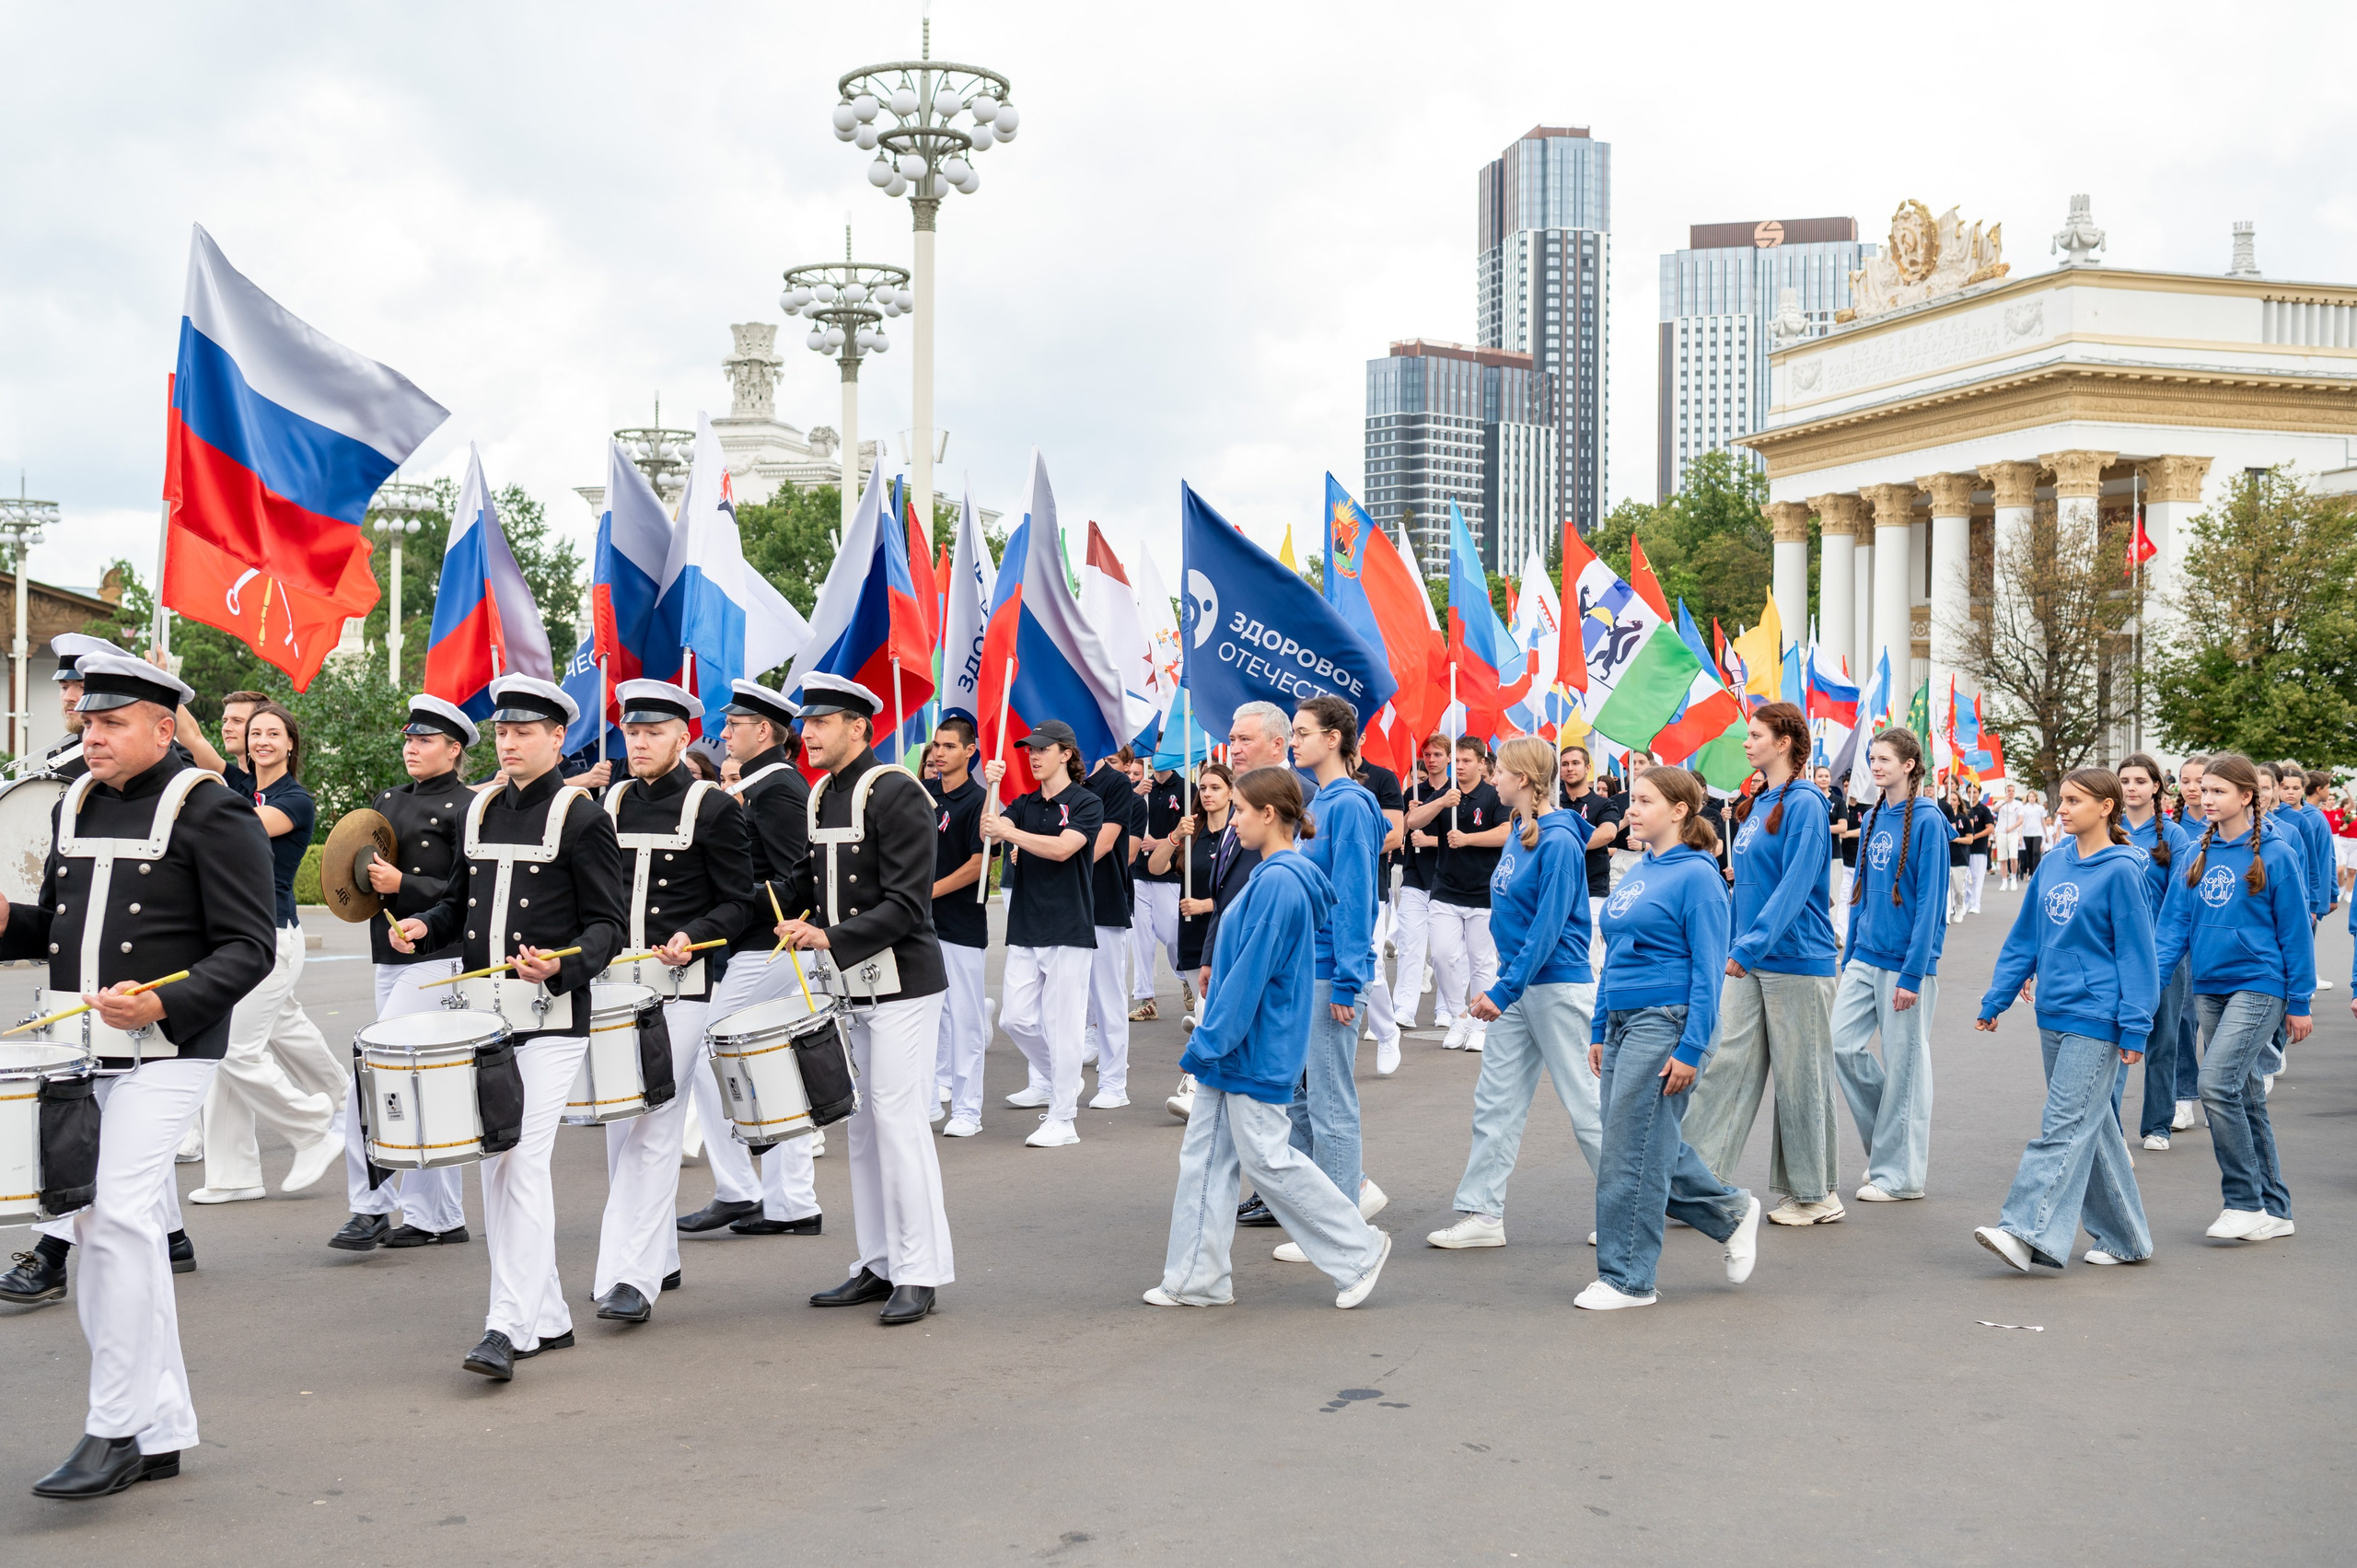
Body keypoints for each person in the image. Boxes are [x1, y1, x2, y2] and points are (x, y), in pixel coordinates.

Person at [0, 653, 276, 1497]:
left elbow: (249, 948)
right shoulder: (75, 803)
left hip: (170, 1053)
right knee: (98, 1227)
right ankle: (158, 1426)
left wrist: (165, 1004)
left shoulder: (214, 811)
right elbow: (64, 933)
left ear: (164, 727)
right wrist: (9, 920)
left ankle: (113, 1426)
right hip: (78, 1052)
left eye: (111, 723)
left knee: (116, 1217)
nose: (93, 736)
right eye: (88, 721)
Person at [389, 674, 627, 1379]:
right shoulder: (483, 807)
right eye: (503, 730)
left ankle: (507, 1324)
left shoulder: (583, 817)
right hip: (484, 1021)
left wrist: (561, 963)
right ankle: (547, 1315)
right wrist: (421, 924)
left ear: (559, 738)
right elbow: (459, 899)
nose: (511, 741)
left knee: (517, 1159)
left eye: (526, 731)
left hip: (553, 1020)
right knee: (499, 1162)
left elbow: (608, 927)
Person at [1147, 768, 1391, 1310]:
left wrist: (1206, 1045)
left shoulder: (1281, 881)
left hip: (1253, 1046)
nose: (1231, 820)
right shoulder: (1272, 875)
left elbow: (1250, 976)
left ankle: (1357, 1250)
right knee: (1206, 1159)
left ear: (1269, 814)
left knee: (1266, 1159)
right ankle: (1195, 1277)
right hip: (1238, 1045)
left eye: (1238, 809)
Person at [772, 673, 956, 1326]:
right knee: (861, 1128)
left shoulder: (897, 792)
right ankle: (879, 1262)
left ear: (859, 727)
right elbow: (804, 879)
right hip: (851, 983)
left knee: (898, 1122)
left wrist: (829, 934)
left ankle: (921, 1269)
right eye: (807, 723)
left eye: (821, 722)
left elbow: (907, 902)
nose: (808, 733)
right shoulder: (821, 793)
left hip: (904, 982)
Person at [586, 680, 757, 1327]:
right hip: (613, 987)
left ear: (683, 737)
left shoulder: (712, 806)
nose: (638, 742)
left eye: (653, 732)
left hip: (681, 992)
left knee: (655, 1125)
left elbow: (739, 900)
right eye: (632, 731)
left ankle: (630, 1277)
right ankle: (656, 1254)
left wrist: (698, 937)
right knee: (616, 1128)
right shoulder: (612, 800)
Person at [1578, 765, 1762, 1310]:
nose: (1630, 809)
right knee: (1638, 1143)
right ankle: (1729, 1212)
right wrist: (1598, 1024)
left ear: (1680, 811)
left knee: (1629, 1153)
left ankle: (1628, 1279)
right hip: (1621, 1020)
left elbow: (1709, 971)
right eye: (1632, 800)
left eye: (1643, 801)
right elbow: (1613, 954)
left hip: (1666, 1020)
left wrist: (1691, 1046)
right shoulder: (1640, 868)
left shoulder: (1699, 875)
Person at [1972, 769, 2156, 1272]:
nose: (2062, 808)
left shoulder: (2124, 870)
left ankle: (2023, 1230)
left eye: (2075, 801)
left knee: (2061, 1128)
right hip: (2052, 1013)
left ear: (2106, 808)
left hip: (2098, 1018)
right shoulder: (2053, 864)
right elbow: (2024, 940)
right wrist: (1997, 999)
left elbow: (2139, 956)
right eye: (2062, 800)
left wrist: (2137, 1025)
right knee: (2088, 1128)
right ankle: (2126, 1237)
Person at [1429, 736, 1602, 1249]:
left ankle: (1633, 1206)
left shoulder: (1558, 840)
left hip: (1556, 988)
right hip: (1518, 986)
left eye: (1500, 771)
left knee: (1587, 1106)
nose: (1492, 778)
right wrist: (1507, 987)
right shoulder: (1522, 832)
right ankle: (1484, 1213)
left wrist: (1503, 989)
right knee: (1495, 1102)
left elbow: (1548, 928)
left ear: (1523, 780)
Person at [326, 694, 478, 1253]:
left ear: (453, 749)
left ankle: (369, 1209)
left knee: (371, 1080)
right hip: (390, 956)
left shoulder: (468, 808)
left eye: (426, 741)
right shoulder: (388, 799)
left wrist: (405, 889)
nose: (412, 748)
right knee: (423, 1085)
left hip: (440, 960)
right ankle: (439, 1216)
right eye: (410, 739)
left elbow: (468, 896)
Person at [1686, 702, 1844, 1227]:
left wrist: (1746, 947)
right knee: (1724, 1067)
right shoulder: (1760, 802)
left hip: (1798, 959)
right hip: (1751, 958)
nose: (1747, 743)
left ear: (1784, 743)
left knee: (1801, 1079)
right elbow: (1750, 886)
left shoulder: (1806, 802)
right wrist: (1733, 944)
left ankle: (1815, 1194)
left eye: (1755, 736)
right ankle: (1693, 1184)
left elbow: (1797, 886)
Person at [679, 681, 822, 1238]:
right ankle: (792, 1203)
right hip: (761, 946)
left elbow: (796, 877)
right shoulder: (763, 784)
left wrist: (735, 901)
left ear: (763, 731)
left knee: (709, 1051)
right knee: (774, 1067)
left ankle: (740, 1189)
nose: (724, 733)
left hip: (770, 946)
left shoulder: (778, 788)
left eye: (734, 725)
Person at [2154, 753, 2312, 1243]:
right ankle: (2276, 1210)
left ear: (2247, 797)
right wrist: (2149, 987)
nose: (2206, 797)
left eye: (2219, 790)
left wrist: (2301, 1002)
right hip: (2210, 987)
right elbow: (2173, 928)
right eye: (2202, 789)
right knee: (2243, 1095)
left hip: (2261, 984)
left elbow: (2296, 932)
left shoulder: (2277, 854)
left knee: (2216, 1084)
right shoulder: (2194, 855)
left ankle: (2243, 1202)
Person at [192, 701, 345, 1206]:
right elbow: (198, 746)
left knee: (233, 1050)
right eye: (254, 733)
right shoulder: (239, 785)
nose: (260, 741)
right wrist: (165, 692)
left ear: (290, 744)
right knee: (274, 1035)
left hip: (273, 938)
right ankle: (233, 1175)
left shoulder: (294, 800)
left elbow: (241, 826)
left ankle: (312, 1130)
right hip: (240, 936)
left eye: (271, 734)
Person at [1268, 694, 1388, 1261]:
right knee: (1295, 1096)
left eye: (1303, 731)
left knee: (1330, 1103)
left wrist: (1348, 980)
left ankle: (1341, 1228)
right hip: (1302, 973)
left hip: (1329, 975)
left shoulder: (1351, 805)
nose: (1295, 740)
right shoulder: (1321, 803)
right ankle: (1329, 1212)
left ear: (1335, 738)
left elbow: (1356, 898)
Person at [1829, 728, 1951, 1202]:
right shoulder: (1876, 814)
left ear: (1909, 765)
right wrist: (1850, 955)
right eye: (1872, 758)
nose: (1875, 766)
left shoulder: (1928, 820)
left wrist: (1913, 973)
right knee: (1841, 1045)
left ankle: (1900, 1175)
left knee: (1906, 1069)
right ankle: (1888, 1145)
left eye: (1884, 759)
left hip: (1905, 965)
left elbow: (1930, 906)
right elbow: (1858, 895)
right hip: (1865, 958)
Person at [983, 719, 1104, 1147]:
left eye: (1042, 749)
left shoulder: (1086, 802)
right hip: (1026, 925)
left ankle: (1063, 1119)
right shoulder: (1023, 803)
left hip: (1068, 925)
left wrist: (1011, 832)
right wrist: (990, 787)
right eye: (1029, 750)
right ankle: (1062, 1081)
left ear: (1066, 754)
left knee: (1063, 1025)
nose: (1033, 756)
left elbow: (1062, 849)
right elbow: (989, 831)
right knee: (1014, 1018)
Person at [2118, 753, 2195, 1154]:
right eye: (2125, 780)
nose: (2132, 787)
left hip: (2163, 954)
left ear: (2156, 788)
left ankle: (2157, 1126)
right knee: (2112, 1040)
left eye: (2140, 781)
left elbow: (2179, 903)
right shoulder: (2107, 831)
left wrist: (2163, 954)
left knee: (2163, 1039)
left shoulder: (2175, 838)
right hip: (2114, 954)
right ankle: (2109, 1127)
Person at [1413, 737, 1510, 1051]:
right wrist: (1441, 802)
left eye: (1467, 761)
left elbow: (1506, 833)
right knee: (1442, 956)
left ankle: (1481, 1026)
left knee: (1481, 962)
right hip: (1445, 890)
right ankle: (1459, 1015)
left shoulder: (1494, 796)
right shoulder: (1445, 795)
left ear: (1482, 763)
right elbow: (1411, 823)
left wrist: (1467, 839)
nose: (1461, 766)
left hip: (1484, 892)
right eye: (1458, 761)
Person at [925, 718, 992, 1137]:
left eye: (949, 746)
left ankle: (968, 1110)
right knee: (925, 1017)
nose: (938, 753)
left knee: (965, 1021)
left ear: (969, 751)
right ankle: (928, 1098)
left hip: (962, 925)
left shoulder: (981, 802)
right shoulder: (922, 795)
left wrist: (924, 892)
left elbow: (977, 865)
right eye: (936, 745)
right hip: (918, 925)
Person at [1158, 762, 1233, 1120]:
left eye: (1216, 787)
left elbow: (1249, 889)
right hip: (1192, 938)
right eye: (1203, 788)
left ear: (1232, 792)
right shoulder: (1193, 831)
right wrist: (1175, 837)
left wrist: (1207, 904)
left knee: (1206, 1016)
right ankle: (1224, 1087)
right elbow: (1157, 867)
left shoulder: (1239, 834)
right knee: (1212, 1017)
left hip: (1226, 935)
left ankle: (1193, 1087)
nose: (1207, 793)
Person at [1079, 746, 1144, 1108]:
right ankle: (1051, 1080)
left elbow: (1103, 844)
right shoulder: (1067, 783)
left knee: (1108, 995)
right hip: (1068, 902)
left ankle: (1114, 1083)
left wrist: (1052, 862)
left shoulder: (1115, 783)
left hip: (1104, 901)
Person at [1390, 734, 1453, 1032]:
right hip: (1415, 877)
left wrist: (1429, 840)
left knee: (1445, 951)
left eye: (1438, 754)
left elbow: (1464, 840)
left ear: (1449, 758)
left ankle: (1447, 1009)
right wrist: (1409, 814)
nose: (1431, 759)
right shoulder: (1414, 791)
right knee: (1410, 943)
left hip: (1449, 880)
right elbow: (1399, 832)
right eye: (1427, 754)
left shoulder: (1458, 792)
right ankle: (1404, 1007)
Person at [1354, 748, 1408, 1074]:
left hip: (1369, 887)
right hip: (1324, 888)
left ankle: (1388, 1032)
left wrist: (1348, 847)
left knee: (1369, 967)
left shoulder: (1382, 779)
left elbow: (1394, 835)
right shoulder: (1313, 777)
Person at [1129, 761, 1189, 1023]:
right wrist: (1134, 795)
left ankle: (1186, 975)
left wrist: (1161, 843)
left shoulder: (1187, 788)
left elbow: (1192, 831)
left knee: (1172, 933)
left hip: (1169, 873)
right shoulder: (1140, 788)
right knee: (1141, 936)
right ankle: (1146, 998)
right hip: (1138, 873)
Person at [1934, 779, 1972, 925]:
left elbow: (1970, 839)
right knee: (1946, 888)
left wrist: (1955, 839)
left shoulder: (1964, 818)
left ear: (1959, 802)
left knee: (1958, 889)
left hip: (1960, 858)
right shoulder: (1942, 814)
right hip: (1946, 857)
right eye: (1949, 799)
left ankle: (1959, 908)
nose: (1952, 802)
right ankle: (1947, 913)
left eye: (1954, 799)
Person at [1961, 781, 1995, 914]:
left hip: (1979, 848)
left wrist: (1974, 836)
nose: (1971, 794)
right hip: (1964, 848)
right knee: (1965, 877)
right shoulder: (1964, 808)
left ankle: (1976, 903)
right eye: (1969, 792)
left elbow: (1990, 828)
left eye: (1974, 792)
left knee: (1977, 877)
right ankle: (1965, 902)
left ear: (1979, 794)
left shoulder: (1983, 809)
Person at [2017, 788, 2046, 877]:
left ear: (2036, 798)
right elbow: (2021, 822)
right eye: (2030, 796)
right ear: (2027, 798)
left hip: (2038, 833)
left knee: (2036, 852)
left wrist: (2046, 834)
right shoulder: (2024, 808)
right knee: (2029, 853)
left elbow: (2043, 822)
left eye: (2033, 796)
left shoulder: (2040, 808)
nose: (2031, 798)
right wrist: (2020, 834)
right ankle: (2030, 873)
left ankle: (2036, 872)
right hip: (2027, 833)